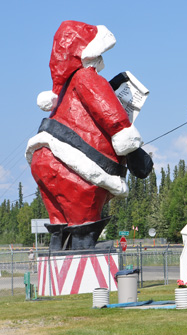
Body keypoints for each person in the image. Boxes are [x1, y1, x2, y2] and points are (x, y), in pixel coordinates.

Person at [25, 21, 153, 251]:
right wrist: (133, 150)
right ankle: (86, 262)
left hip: (44, 159)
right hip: (75, 167)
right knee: (84, 224)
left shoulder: (62, 92)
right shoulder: (87, 77)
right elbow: (109, 113)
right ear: (90, 53)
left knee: (60, 223)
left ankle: (58, 265)